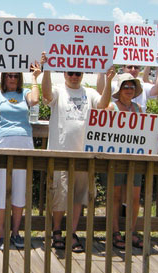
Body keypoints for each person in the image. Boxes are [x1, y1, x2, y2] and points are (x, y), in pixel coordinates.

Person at [41, 52, 115, 252]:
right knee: (59, 195)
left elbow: (103, 105)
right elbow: (46, 95)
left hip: (84, 155)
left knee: (78, 197)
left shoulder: (89, 92)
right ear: (64, 73)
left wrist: (108, 81)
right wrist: (46, 68)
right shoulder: (58, 90)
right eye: (71, 72)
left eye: (78, 73)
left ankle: (71, 233)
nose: (74, 76)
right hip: (60, 154)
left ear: (83, 74)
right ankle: (57, 231)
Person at [0, 63, 41, 250]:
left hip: (24, 142)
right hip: (1, 141)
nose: (12, 78)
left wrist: (35, 77)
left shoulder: (25, 93)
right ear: (4, 78)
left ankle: (15, 232)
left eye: (15, 75)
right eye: (9, 75)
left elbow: (35, 101)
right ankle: (0, 233)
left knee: (19, 190)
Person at [105, 73, 145, 250]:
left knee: (135, 197)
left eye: (132, 87)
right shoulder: (111, 107)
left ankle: (131, 231)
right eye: (125, 86)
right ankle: (114, 232)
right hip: (115, 159)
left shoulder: (138, 108)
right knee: (115, 196)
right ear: (119, 90)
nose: (129, 90)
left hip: (134, 159)